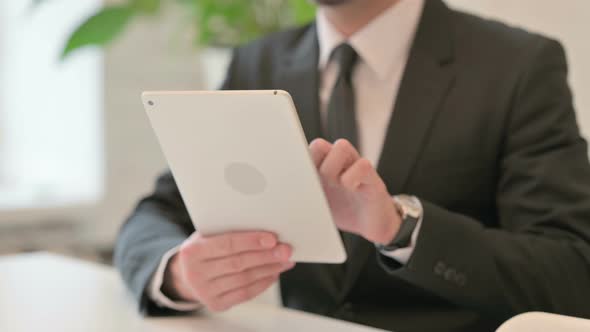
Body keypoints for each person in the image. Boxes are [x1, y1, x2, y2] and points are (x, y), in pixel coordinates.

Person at [114, 0, 590, 331]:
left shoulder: (518, 67)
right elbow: (155, 215)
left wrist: (400, 228)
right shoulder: (257, 65)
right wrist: (178, 273)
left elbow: (570, 274)